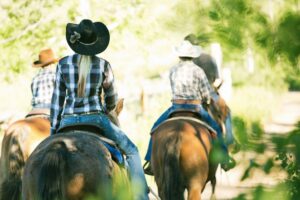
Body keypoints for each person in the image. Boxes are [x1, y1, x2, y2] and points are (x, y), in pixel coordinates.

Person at [50, 19, 149, 200]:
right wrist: (106, 107)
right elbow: (111, 99)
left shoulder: (62, 64)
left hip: (67, 122)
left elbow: (57, 102)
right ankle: (142, 196)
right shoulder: (104, 65)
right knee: (132, 151)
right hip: (96, 119)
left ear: (75, 41)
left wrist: (53, 130)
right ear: (95, 43)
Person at [143, 40, 233, 175]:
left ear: (179, 56)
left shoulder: (173, 70)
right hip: (195, 107)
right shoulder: (198, 71)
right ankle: (225, 159)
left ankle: (150, 160)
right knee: (216, 129)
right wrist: (206, 100)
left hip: (176, 107)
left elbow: (173, 88)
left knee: (155, 129)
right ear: (192, 56)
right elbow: (206, 94)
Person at [184, 33, 234, 146]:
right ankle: (229, 140)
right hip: (209, 94)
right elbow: (217, 80)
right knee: (227, 113)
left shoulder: (185, 62)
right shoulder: (209, 59)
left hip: (186, 98)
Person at [28, 48, 57, 117]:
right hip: (50, 107)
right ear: (52, 64)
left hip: (35, 110)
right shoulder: (55, 76)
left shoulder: (35, 78)